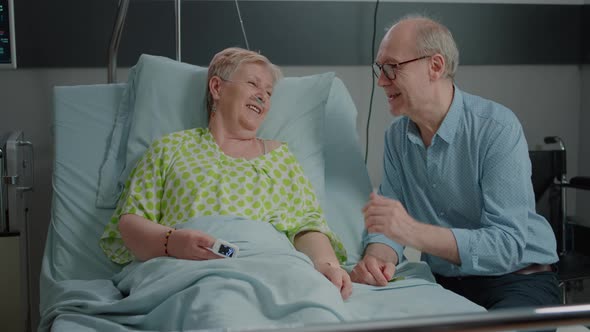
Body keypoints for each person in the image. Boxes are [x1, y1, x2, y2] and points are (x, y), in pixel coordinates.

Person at [99, 47, 352, 300]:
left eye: (268, 92)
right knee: (217, 304)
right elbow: (130, 224)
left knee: (313, 302)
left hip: (273, 269)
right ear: (217, 88)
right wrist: (172, 242)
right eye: (253, 84)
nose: (263, 97)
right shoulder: (170, 149)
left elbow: (307, 226)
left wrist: (328, 266)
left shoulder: (280, 157)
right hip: (189, 269)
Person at [350, 14, 560, 309]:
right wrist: (377, 257)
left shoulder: (496, 128)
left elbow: (507, 246)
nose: (381, 80)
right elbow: (388, 224)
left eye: (392, 68)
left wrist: (414, 232)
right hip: (444, 283)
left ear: (435, 66)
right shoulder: (396, 138)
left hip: (517, 279)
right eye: (380, 68)